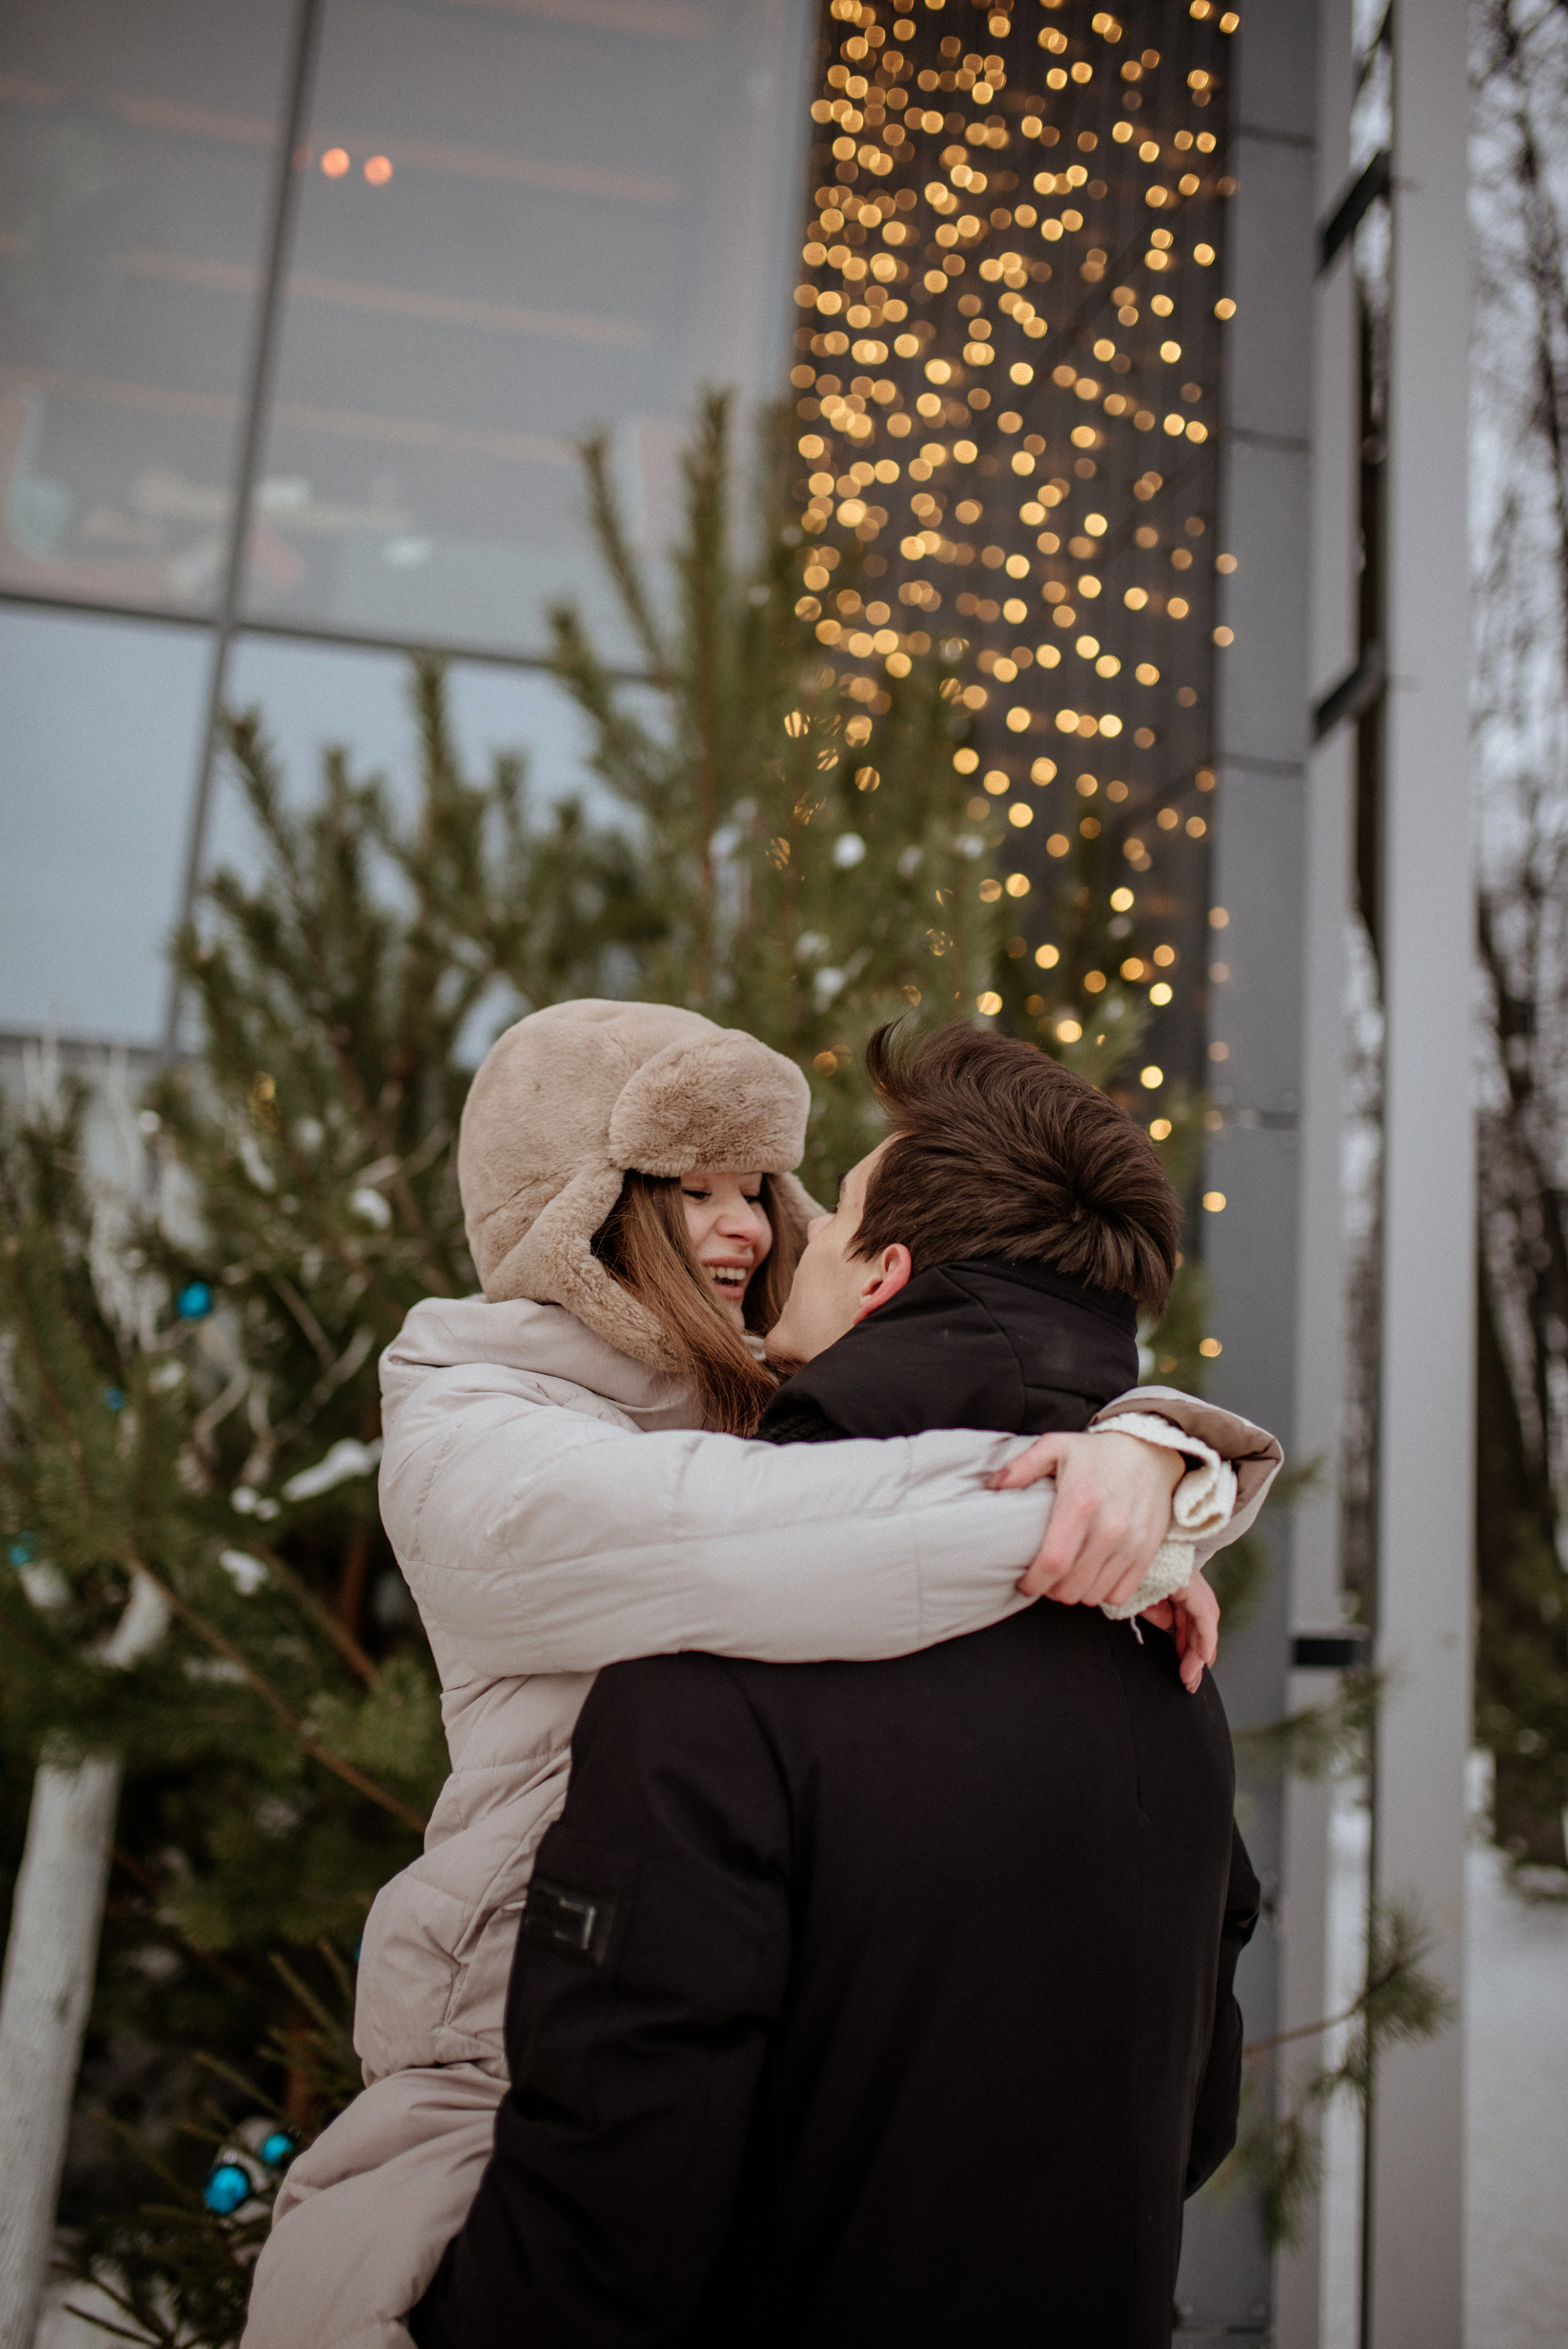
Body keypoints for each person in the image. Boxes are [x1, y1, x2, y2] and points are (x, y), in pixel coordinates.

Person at [241, 1003, 1276, 2349]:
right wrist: (1117, 1483)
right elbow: (725, 1526)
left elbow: (628, 2201)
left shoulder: (751, 1537)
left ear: (883, 1273)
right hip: (485, 2063)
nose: (756, 1229)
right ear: (580, 1210)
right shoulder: (482, 1432)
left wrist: (1130, 1463)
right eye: (695, 1191)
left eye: (776, 1194)